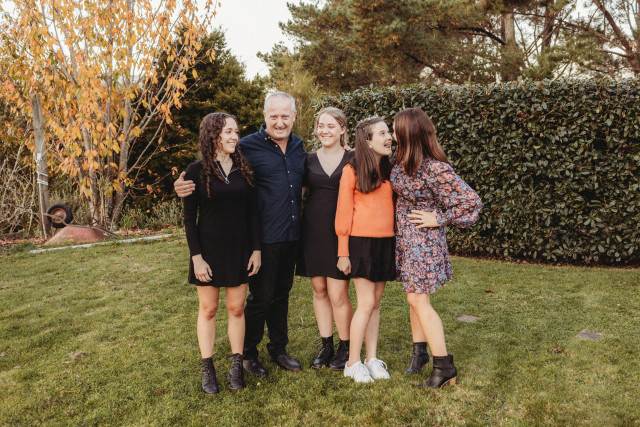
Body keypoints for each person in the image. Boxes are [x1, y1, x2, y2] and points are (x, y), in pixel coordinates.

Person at [175, 92, 307, 378]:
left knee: (282, 295)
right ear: (265, 116)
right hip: (261, 236)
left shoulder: (299, 147)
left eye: (285, 116)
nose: (280, 122)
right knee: (260, 298)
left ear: (294, 116)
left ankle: (279, 349)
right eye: (274, 116)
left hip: (290, 234)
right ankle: (248, 354)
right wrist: (180, 186)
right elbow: (207, 172)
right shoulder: (246, 146)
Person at [391, 107, 482, 388]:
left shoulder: (434, 168)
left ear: (408, 133)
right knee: (413, 298)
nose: (392, 134)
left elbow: (471, 202)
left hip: (424, 242)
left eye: (395, 129)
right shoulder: (399, 160)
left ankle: (444, 367)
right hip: (406, 240)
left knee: (418, 300)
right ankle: (419, 355)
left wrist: (439, 218)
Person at [182, 113, 262, 394]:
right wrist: (197, 258)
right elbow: (189, 219)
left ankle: (236, 366)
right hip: (208, 252)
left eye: (236, 132)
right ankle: (208, 368)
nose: (234, 137)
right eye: (228, 131)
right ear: (212, 135)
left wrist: (256, 250)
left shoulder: (244, 168)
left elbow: (253, 213)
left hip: (240, 250)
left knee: (237, 309)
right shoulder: (196, 171)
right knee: (209, 309)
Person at [335, 117, 396, 383]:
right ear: (368, 142)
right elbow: (343, 213)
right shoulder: (352, 170)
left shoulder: (391, 170)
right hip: (361, 243)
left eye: (388, 132)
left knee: (376, 304)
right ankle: (352, 363)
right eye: (382, 133)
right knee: (367, 303)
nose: (388, 137)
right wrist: (343, 252)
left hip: (386, 242)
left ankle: (371, 359)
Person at [297, 107, 354, 370]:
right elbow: (295, 193)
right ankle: (326, 345)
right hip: (313, 230)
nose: (325, 130)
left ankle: (346, 346)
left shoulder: (354, 158)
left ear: (343, 129)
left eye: (331, 126)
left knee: (338, 293)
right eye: (321, 125)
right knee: (319, 289)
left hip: (341, 231)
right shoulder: (307, 159)